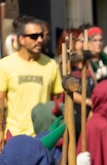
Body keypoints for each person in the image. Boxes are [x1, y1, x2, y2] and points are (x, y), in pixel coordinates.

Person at [0, 15, 63, 148]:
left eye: (41, 35)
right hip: (15, 137)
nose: (40, 40)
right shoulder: (5, 65)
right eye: (34, 36)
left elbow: (57, 101)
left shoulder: (51, 65)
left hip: (44, 137)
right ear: (21, 39)